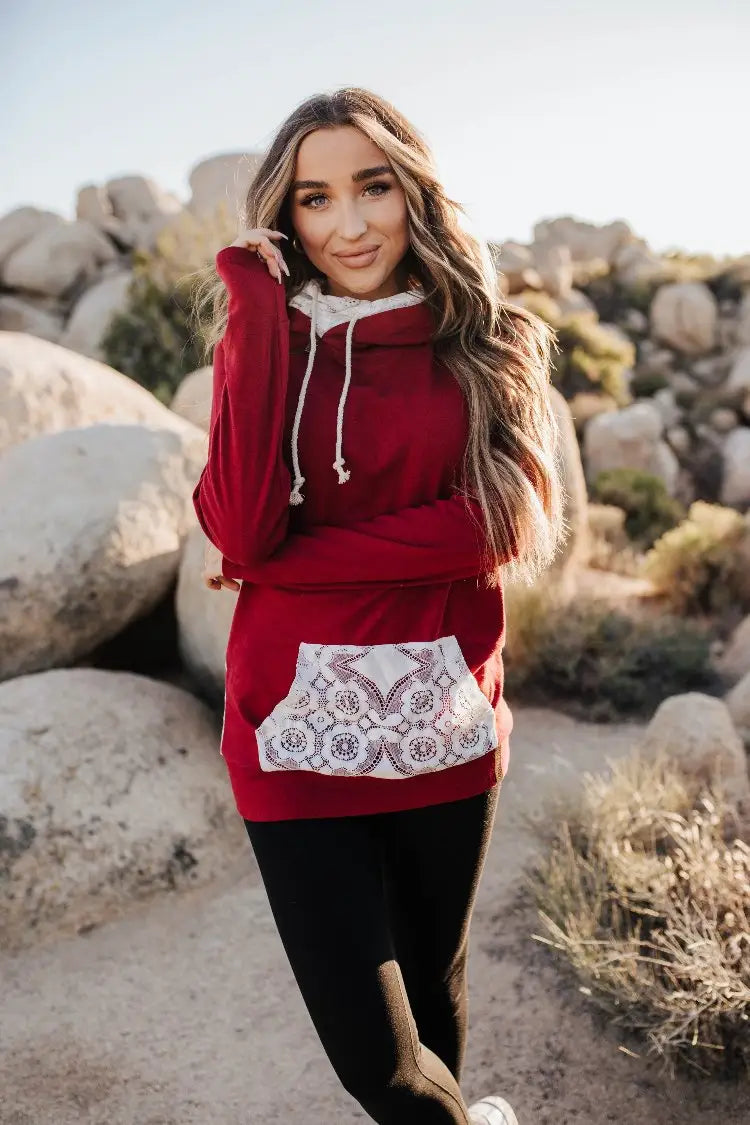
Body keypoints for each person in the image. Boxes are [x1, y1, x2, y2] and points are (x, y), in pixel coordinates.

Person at [192, 87, 566, 1125]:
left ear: (415, 192)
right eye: (315, 199)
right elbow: (242, 528)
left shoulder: (487, 340)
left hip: (446, 724)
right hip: (290, 741)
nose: (349, 224)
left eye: (374, 186)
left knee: (435, 1003)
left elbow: (494, 524)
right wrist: (254, 312)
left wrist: (287, 570)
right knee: (381, 1065)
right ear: (285, 217)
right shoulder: (262, 345)